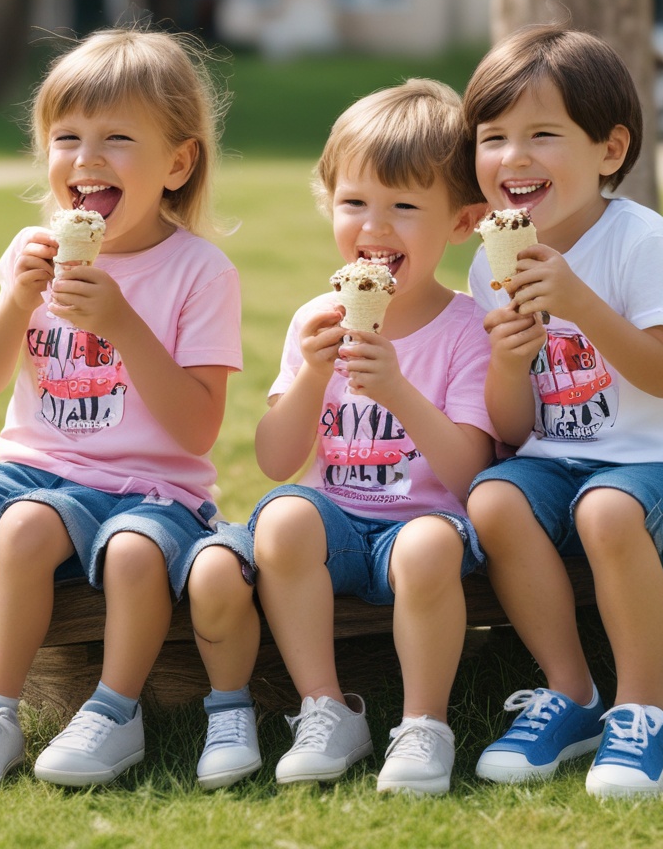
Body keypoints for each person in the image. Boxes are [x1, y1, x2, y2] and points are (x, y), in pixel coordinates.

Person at [0, 27, 261, 793]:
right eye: (66, 137)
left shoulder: (198, 272)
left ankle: (7, 712)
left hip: (146, 489)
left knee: (26, 528)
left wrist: (121, 326)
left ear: (178, 163)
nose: (86, 159)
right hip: (29, 466)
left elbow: (197, 428)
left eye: (117, 138)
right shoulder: (32, 250)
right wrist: (17, 296)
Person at [462, 24, 663, 798]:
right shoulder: (493, 264)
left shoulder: (642, 241)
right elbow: (514, 433)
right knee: (493, 497)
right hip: (564, 465)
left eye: (543, 134)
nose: (513, 158)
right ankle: (573, 693)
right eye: (493, 137)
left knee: (609, 512)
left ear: (609, 151)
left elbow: (660, 375)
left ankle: (643, 710)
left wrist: (580, 300)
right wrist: (511, 362)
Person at [250, 79, 497, 795]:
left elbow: (470, 476)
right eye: (356, 203)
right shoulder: (315, 320)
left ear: (461, 221)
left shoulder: (465, 329)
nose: (375, 228)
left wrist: (397, 389)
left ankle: (424, 725)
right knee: (285, 519)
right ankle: (326, 708)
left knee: (424, 545)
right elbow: (274, 460)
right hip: (338, 521)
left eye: (405, 207)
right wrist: (308, 377)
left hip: (427, 526)